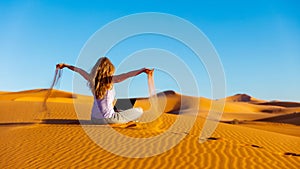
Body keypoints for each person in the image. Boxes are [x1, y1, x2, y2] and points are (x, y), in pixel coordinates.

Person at [56, 57, 153, 124]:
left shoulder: (91, 79)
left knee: (125, 102)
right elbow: (127, 75)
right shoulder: (110, 80)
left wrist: (65, 65)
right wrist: (142, 70)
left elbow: (79, 70)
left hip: (94, 119)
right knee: (139, 110)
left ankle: (119, 113)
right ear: (109, 69)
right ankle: (124, 121)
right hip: (109, 120)